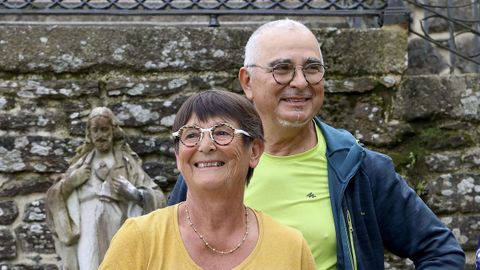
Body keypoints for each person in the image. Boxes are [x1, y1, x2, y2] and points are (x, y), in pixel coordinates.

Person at [168, 19, 465, 269]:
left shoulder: (357, 169)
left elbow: (440, 251)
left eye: (312, 68)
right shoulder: (211, 161)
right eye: (282, 69)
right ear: (247, 81)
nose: (299, 82)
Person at [99, 90, 316, 270]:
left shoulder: (290, 248)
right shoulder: (140, 239)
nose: (205, 145)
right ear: (177, 155)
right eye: (191, 135)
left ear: (255, 151)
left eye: (222, 132)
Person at [46, 107, 166, 270]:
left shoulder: (126, 163)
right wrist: (70, 183)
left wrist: (134, 194)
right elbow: (53, 198)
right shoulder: (81, 165)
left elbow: (158, 197)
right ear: (89, 133)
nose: (100, 135)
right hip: (87, 234)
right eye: (95, 130)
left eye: (104, 129)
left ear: (113, 131)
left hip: (119, 228)